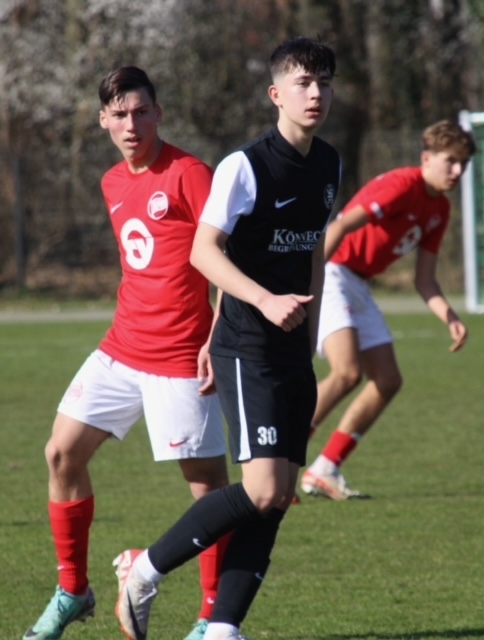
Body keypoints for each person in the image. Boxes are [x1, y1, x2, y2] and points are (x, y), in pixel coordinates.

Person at [112, 36, 341, 640]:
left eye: (323, 83)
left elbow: (313, 252)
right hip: (248, 343)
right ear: (275, 94)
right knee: (262, 488)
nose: (315, 94)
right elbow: (204, 251)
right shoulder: (246, 166)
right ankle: (144, 569)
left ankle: (223, 628)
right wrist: (263, 301)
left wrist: (311, 338)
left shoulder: (329, 163)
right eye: (302, 83)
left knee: (279, 495)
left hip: (292, 348)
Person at [23, 66, 230, 640]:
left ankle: (213, 618)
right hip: (121, 347)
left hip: (182, 356)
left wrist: (217, 336)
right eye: (119, 114)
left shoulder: (190, 174)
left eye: (141, 112)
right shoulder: (112, 182)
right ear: (103, 121)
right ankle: (73, 591)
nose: (131, 124)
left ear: (159, 113)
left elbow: (226, 257)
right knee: (61, 454)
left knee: (208, 490)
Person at [300, 119, 476, 501]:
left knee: (388, 380)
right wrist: (309, 281)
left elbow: (424, 279)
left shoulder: (440, 209)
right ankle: (282, 458)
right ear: (426, 158)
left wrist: (449, 316)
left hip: (358, 282)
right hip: (332, 270)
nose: (457, 171)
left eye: (463, 164)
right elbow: (339, 227)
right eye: (450, 161)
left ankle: (325, 469)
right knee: (347, 372)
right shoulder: (402, 185)